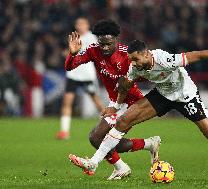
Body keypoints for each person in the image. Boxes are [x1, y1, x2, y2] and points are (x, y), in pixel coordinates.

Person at [69, 40, 208, 176]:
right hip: (163, 96)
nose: (133, 63)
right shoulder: (134, 67)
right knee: (123, 121)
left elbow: (200, 55)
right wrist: (115, 106)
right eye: (131, 59)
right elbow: (125, 85)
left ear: (147, 54)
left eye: (136, 58)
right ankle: (94, 163)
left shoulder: (165, 59)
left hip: (186, 96)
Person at [65, 21, 161, 180]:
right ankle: (148, 145)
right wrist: (73, 54)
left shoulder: (126, 54)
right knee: (103, 140)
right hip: (115, 102)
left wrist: (131, 79)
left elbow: (146, 74)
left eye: (108, 44)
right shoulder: (93, 50)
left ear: (116, 39)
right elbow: (70, 67)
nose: (104, 47)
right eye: (101, 43)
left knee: (96, 137)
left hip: (132, 103)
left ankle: (116, 166)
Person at [56, 17, 105, 140]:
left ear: (87, 25)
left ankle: (110, 127)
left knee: (97, 103)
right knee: (67, 101)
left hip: (87, 75)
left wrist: (69, 52)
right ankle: (64, 131)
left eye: (82, 24)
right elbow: (69, 52)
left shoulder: (91, 38)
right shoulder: (75, 37)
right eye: (77, 24)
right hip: (73, 74)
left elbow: (82, 51)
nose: (79, 26)